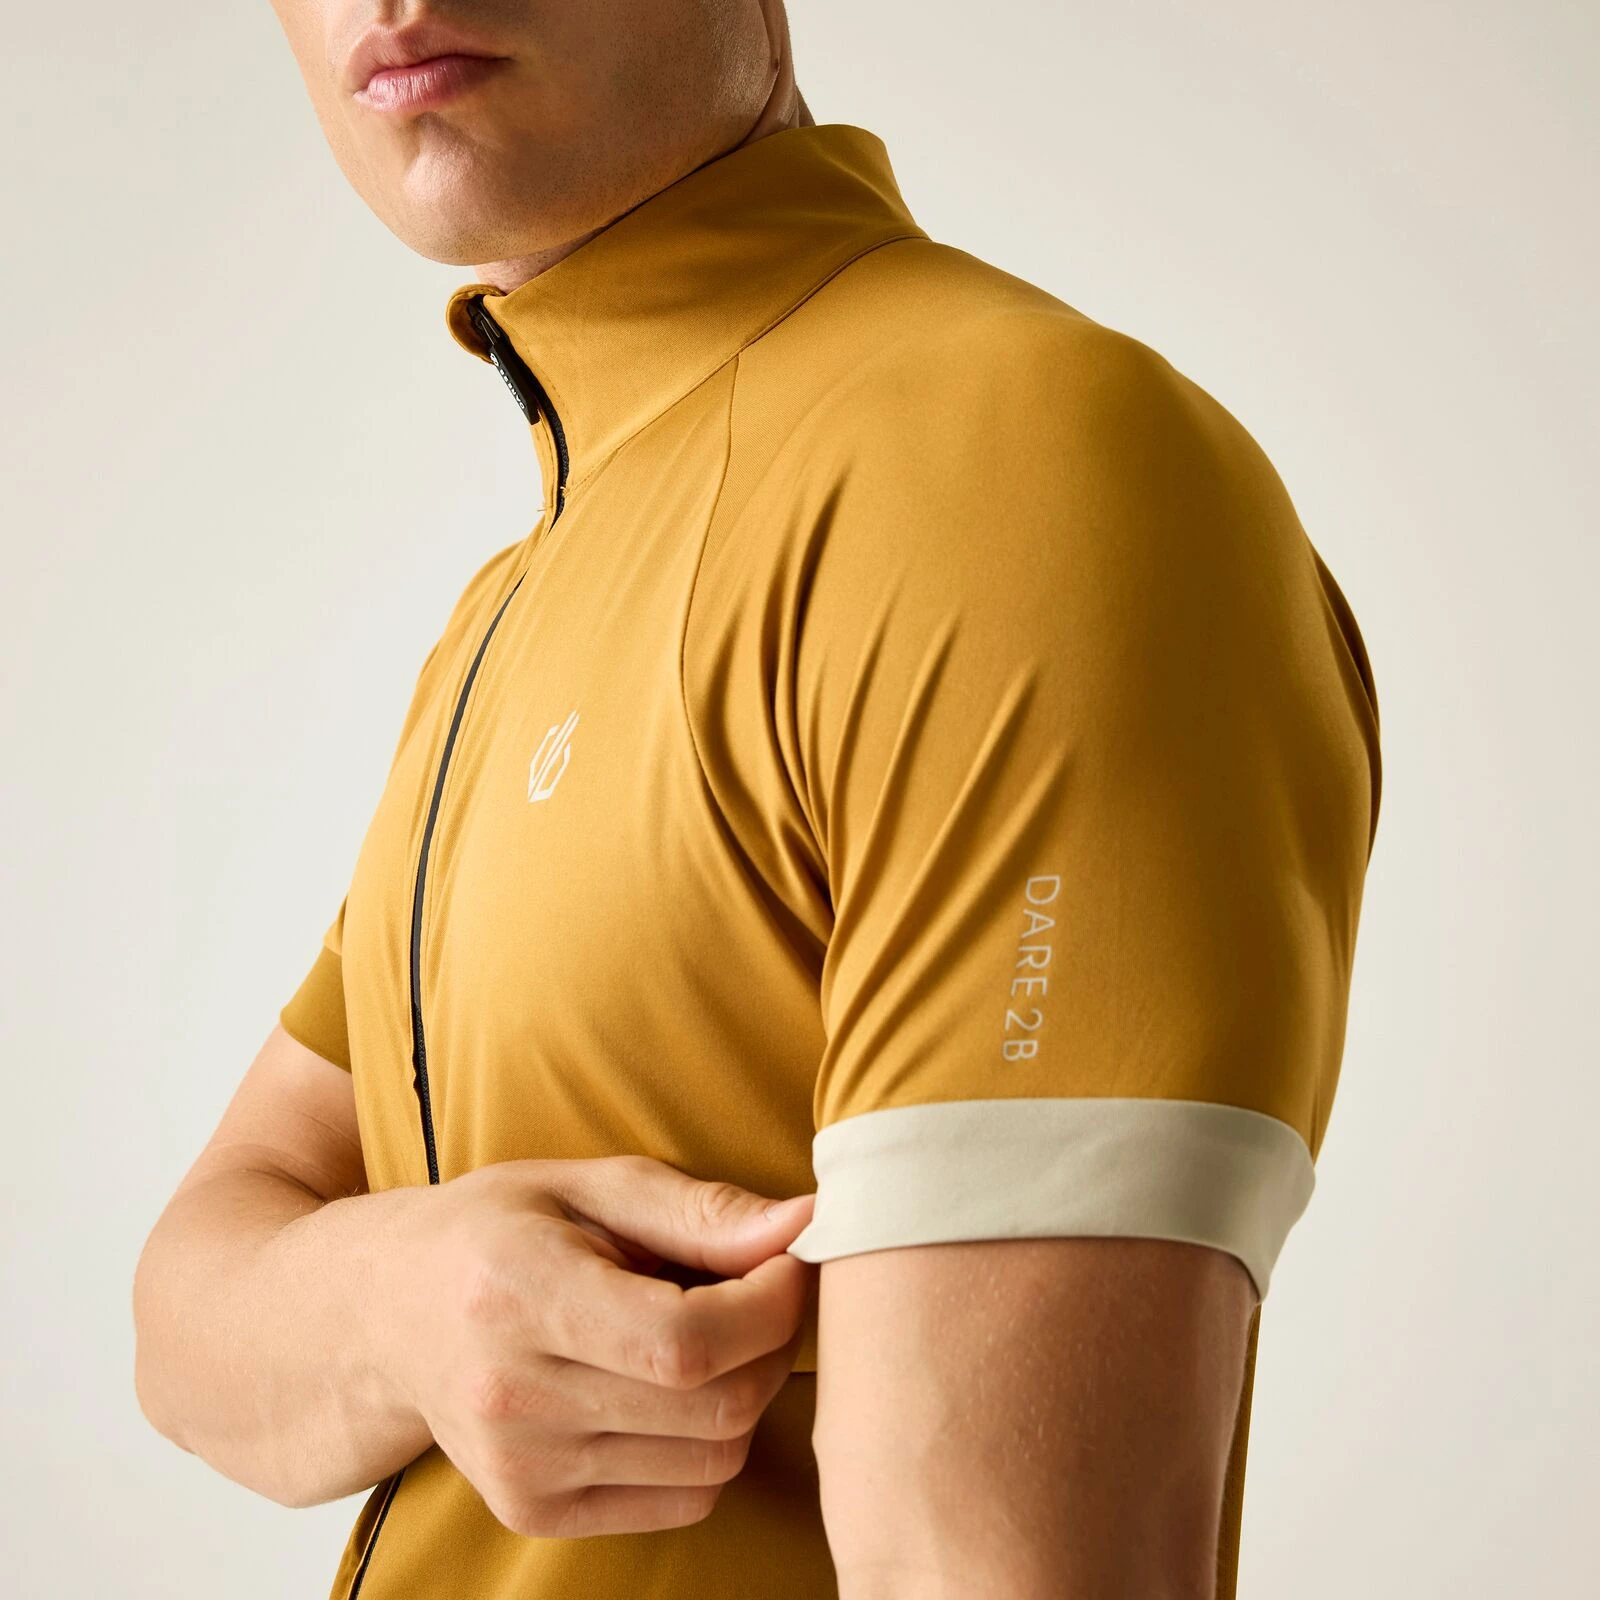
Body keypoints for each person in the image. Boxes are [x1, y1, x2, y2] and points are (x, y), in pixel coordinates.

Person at [131, 2, 1383, 1596]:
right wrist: (408, 1309)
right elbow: (187, 1314)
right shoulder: (510, 610)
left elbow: (998, 1564)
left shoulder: (1007, 473)